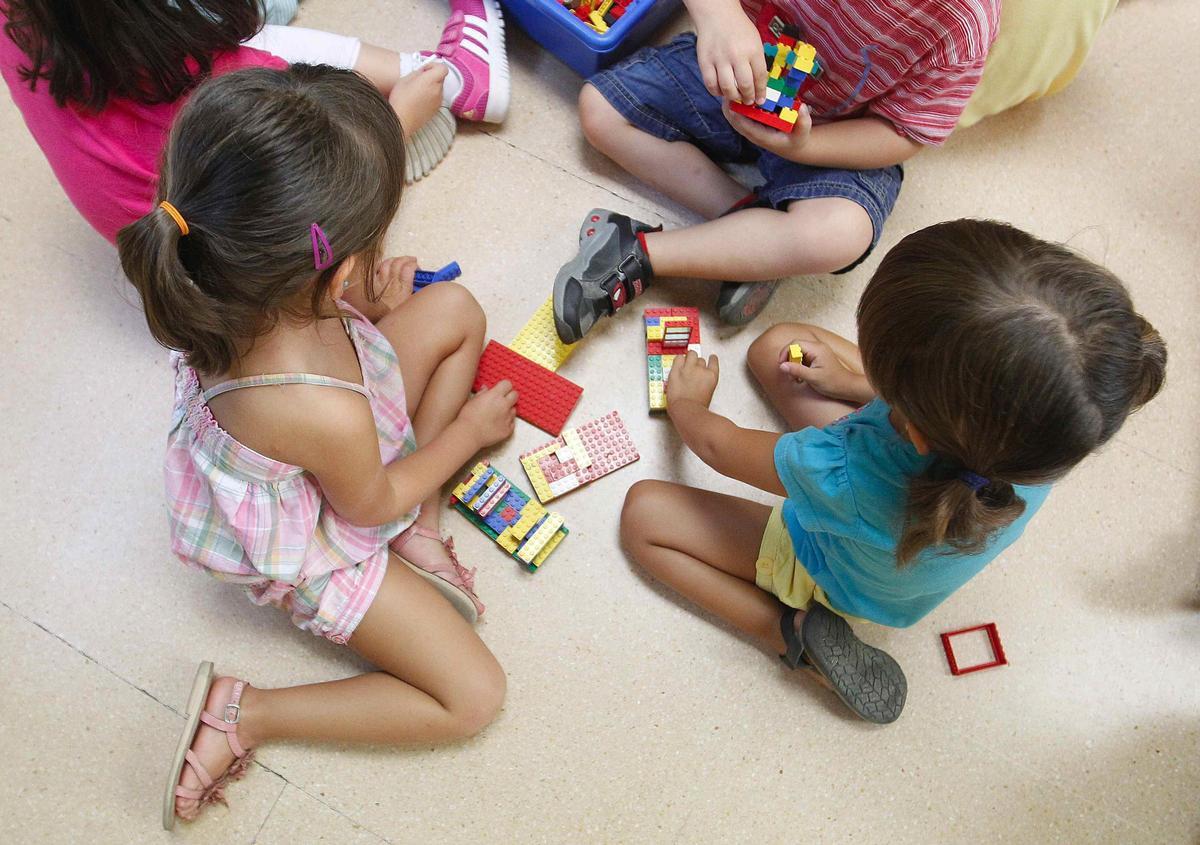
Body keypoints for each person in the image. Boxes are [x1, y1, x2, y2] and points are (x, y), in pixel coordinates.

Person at [116, 65, 516, 827]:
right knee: (474, 695)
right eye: (370, 244)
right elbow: (369, 503)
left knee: (456, 308)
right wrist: (466, 434)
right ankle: (249, 711)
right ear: (330, 277)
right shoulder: (317, 410)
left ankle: (422, 529)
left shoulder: (229, 265)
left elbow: (324, 290)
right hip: (327, 525)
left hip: (342, 426)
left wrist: (370, 299)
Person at [620, 219, 1167, 724]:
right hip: (908, 529)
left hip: (832, 573)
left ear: (917, 424)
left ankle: (792, 633)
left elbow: (717, 446)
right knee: (781, 346)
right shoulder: (1040, 438)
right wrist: (854, 384)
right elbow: (939, 418)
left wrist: (688, 403)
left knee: (645, 515)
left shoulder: (839, 472)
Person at [550, 0, 1000, 343]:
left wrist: (807, 145)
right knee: (601, 111)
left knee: (838, 234)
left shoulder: (963, 23)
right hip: (730, 74)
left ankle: (641, 254)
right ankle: (748, 227)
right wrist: (720, 18)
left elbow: (903, 133)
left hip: (834, 136)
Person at [0, 0, 508, 244]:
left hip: (145, 237)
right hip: (258, 261)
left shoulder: (16, 19)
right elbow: (317, 197)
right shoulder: (231, 78)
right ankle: (460, 78)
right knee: (266, 47)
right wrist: (399, 122)